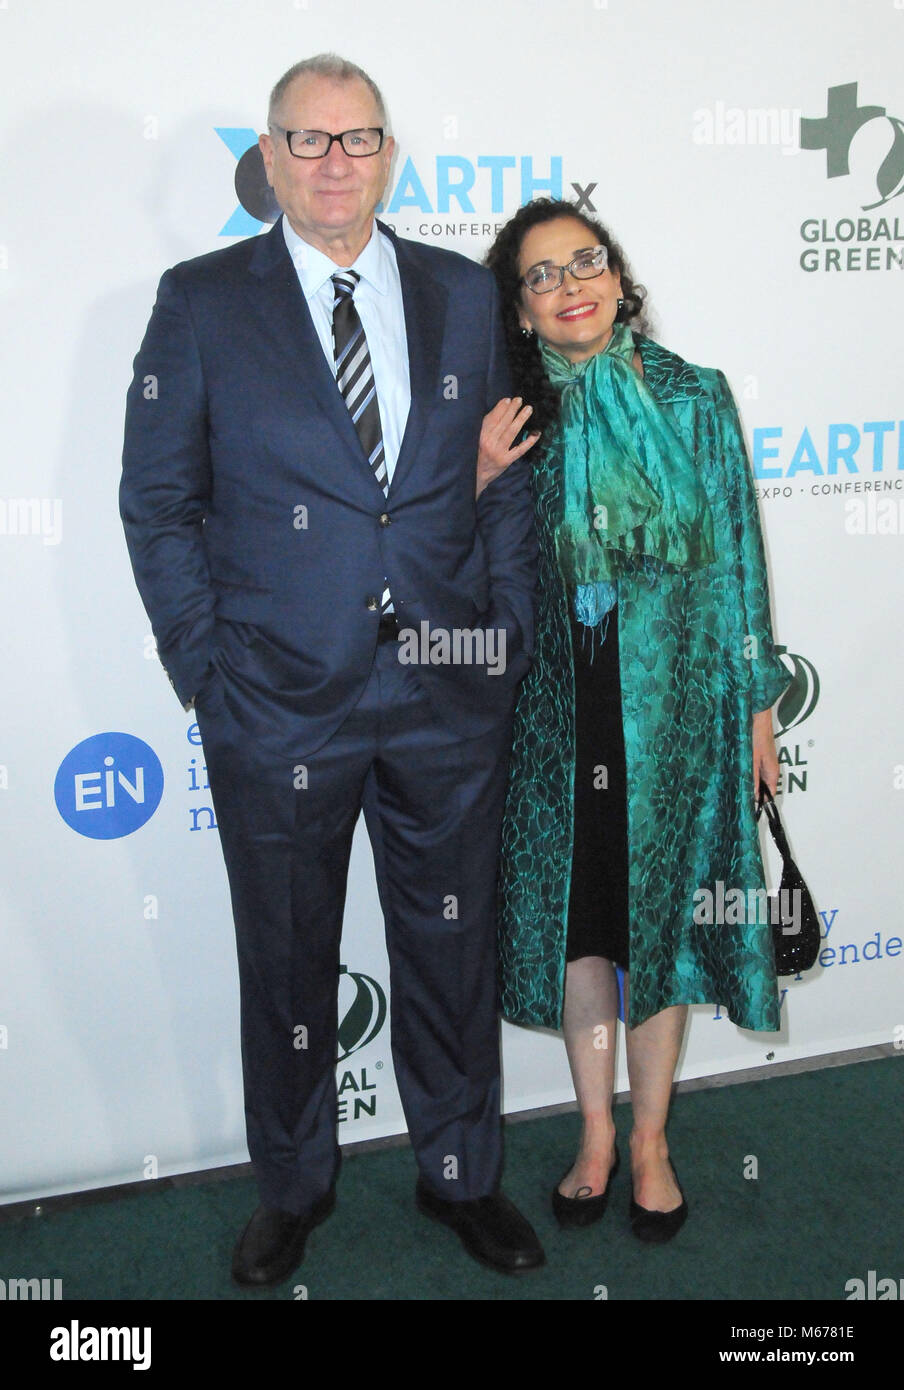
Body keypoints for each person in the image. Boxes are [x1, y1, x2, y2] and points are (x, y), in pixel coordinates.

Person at [120, 54, 543, 1285]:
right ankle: (295, 1185)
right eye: (308, 140)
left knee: (450, 948)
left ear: (390, 156)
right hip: (276, 702)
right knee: (290, 957)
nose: (334, 161)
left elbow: (502, 483)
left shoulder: (463, 295)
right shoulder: (200, 302)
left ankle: (461, 1172)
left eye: (357, 138)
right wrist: (209, 670)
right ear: (268, 156)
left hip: (446, 688)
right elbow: (158, 502)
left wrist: (502, 637)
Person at [479, 198, 790, 1243]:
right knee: (584, 932)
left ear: (615, 275)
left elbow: (738, 557)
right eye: (542, 276)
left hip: (673, 706)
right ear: (519, 311)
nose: (572, 286)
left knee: (656, 927)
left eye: (587, 262)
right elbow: (460, 553)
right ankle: (594, 1135)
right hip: (553, 718)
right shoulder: (510, 412)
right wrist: (476, 474)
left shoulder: (693, 398)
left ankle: (649, 1141)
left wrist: (755, 709)